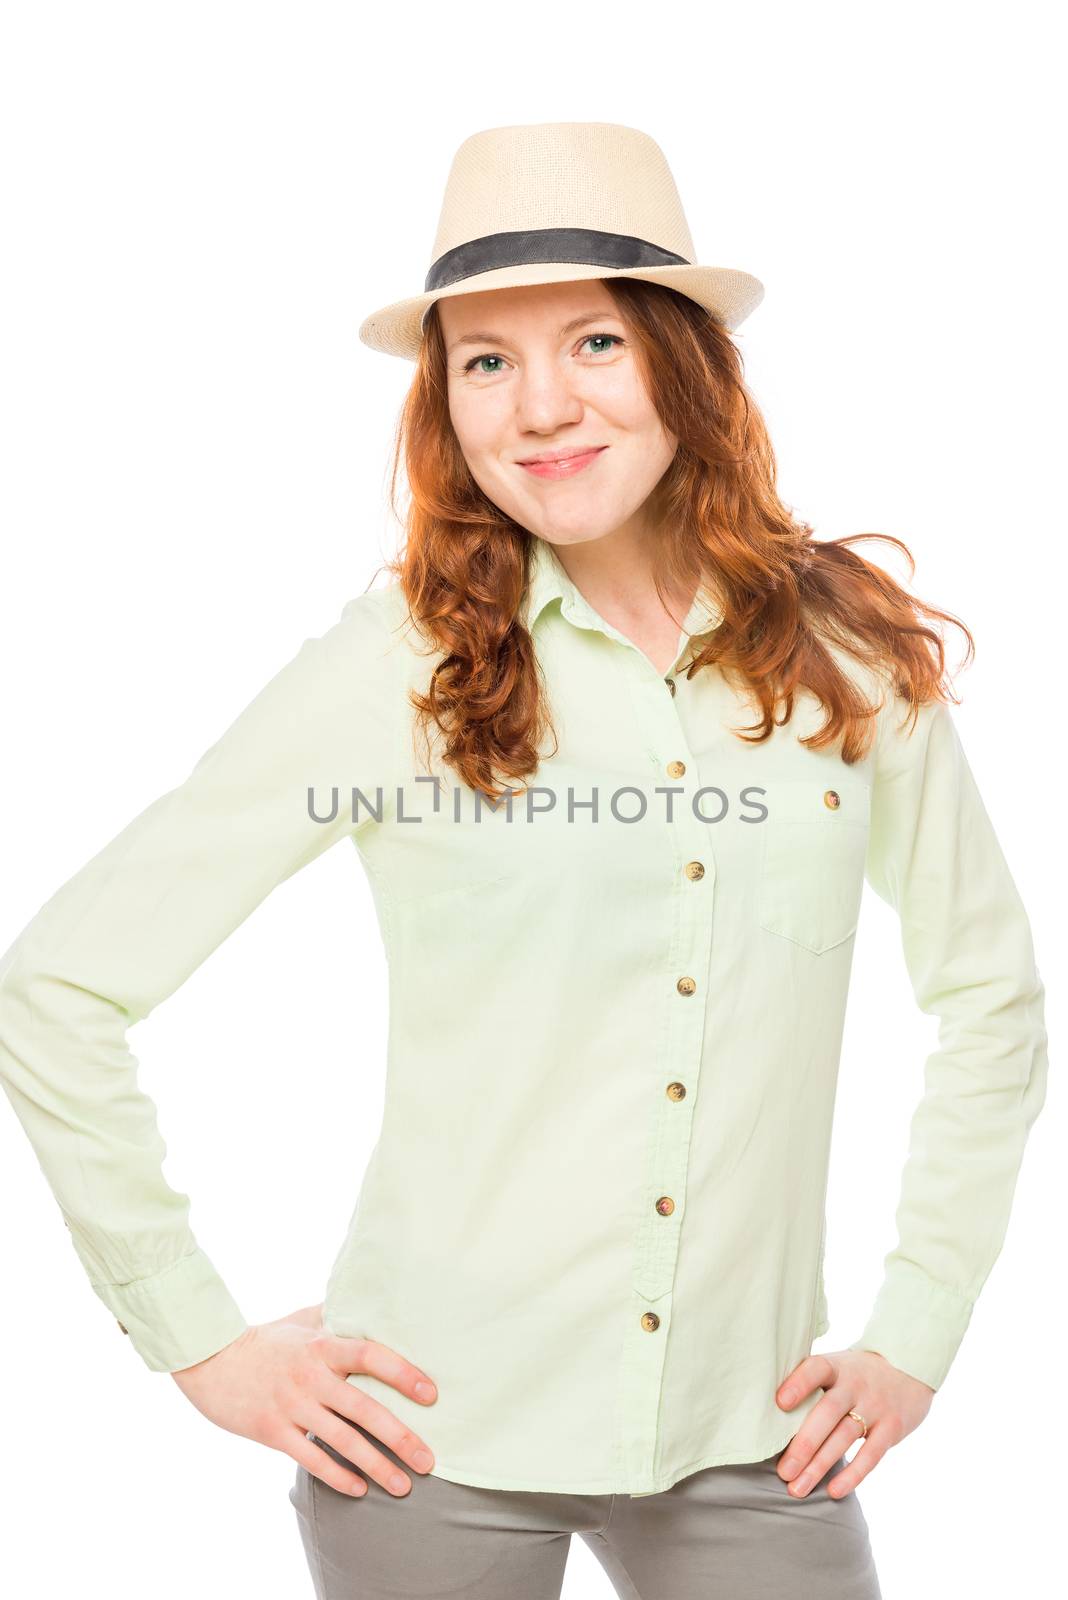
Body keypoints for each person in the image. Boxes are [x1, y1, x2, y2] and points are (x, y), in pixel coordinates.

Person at [0, 121, 1048, 1600]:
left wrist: (918, 1329)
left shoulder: (843, 660)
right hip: (425, 1441)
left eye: (594, 343)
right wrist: (203, 1342)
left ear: (686, 364)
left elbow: (991, 995)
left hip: (755, 1437)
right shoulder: (392, 672)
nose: (540, 405)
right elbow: (57, 985)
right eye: (484, 361)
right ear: (446, 402)